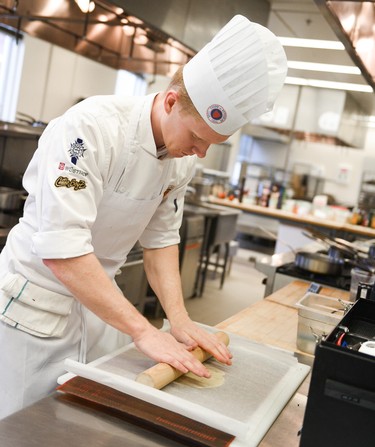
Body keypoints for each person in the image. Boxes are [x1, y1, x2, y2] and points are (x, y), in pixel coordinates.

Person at [0, 15, 287, 419]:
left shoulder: (180, 160)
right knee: (18, 427)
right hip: (36, 307)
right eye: (198, 138)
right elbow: (62, 250)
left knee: (78, 421)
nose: (201, 153)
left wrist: (179, 319)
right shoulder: (89, 130)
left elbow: (162, 240)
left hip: (102, 311)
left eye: (213, 145)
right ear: (171, 101)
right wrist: (142, 330)